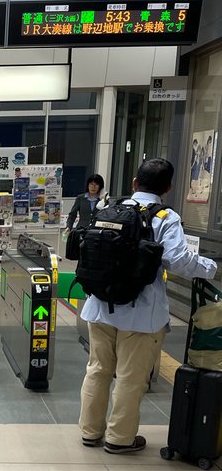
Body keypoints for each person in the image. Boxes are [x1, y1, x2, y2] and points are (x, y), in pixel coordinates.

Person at [79, 158, 217, 454]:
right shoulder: (166, 217)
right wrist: (210, 268)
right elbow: (177, 259)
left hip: (99, 305)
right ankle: (119, 439)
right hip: (141, 314)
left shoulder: (110, 208)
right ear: (168, 187)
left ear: (134, 182)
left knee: (97, 370)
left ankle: (90, 432)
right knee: (130, 378)